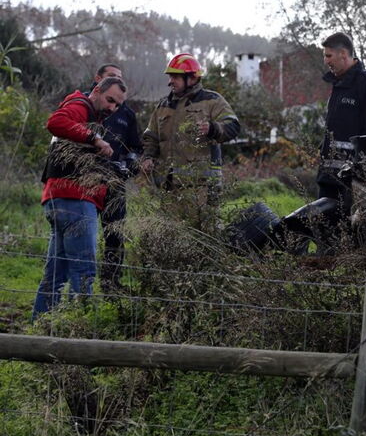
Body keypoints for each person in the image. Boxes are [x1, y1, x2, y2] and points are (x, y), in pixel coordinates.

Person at [33, 77, 127, 319]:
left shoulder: (90, 116)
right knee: (84, 272)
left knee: (56, 274)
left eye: (117, 105)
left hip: (58, 198)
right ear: (96, 91)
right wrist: (94, 139)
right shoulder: (80, 107)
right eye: (109, 100)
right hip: (74, 199)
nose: (112, 108)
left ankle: (39, 328)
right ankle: (83, 334)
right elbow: (55, 122)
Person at [140, 53, 240, 205]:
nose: (170, 81)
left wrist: (213, 128)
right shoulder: (163, 106)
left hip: (202, 188)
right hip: (167, 187)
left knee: (201, 229)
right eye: (170, 77)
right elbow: (151, 136)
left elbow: (233, 126)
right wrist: (148, 157)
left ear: (192, 78)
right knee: (169, 229)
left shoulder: (212, 101)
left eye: (175, 77)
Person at [89, 64, 142, 291]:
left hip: (116, 183)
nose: (118, 81)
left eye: (121, 78)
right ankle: (82, 285)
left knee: (115, 234)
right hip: (87, 181)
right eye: (112, 77)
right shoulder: (84, 103)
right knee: (86, 233)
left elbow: (136, 147)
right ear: (98, 80)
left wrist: (129, 166)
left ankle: (112, 284)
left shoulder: (127, 114)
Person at [318, 32, 366, 206]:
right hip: (328, 177)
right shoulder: (338, 84)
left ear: (343, 54)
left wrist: (359, 170)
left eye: (328, 55)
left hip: (350, 180)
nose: (326, 61)